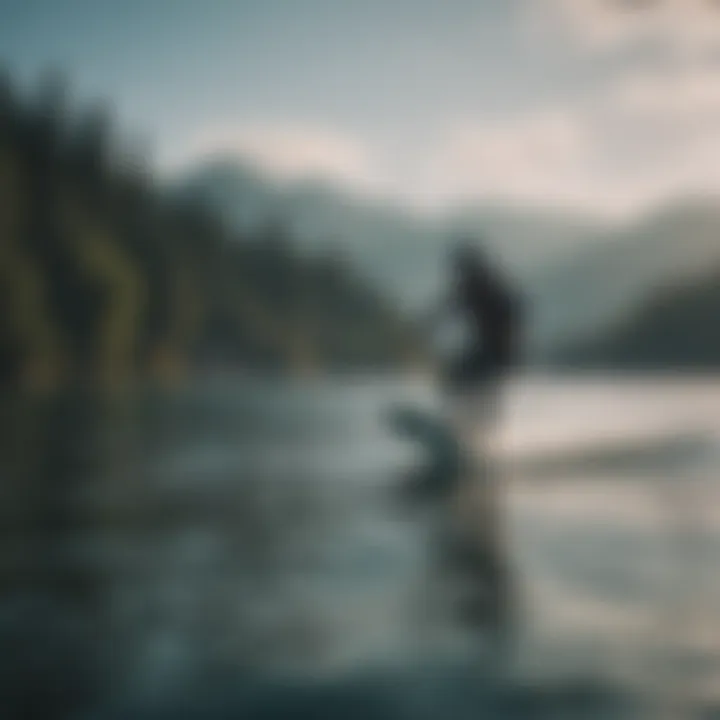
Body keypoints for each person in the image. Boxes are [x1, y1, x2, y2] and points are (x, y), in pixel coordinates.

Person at [431, 239, 523, 427]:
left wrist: (511, 347)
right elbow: (446, 308)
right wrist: (427, 325)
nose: (458, 274)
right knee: (456, 377)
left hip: (500, 350)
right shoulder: (469, 289)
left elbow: (513, 315)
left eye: (461, 269)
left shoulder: (490, 288)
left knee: (471, 380)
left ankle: (484, 424)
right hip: (487, 349)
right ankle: (468, 422)